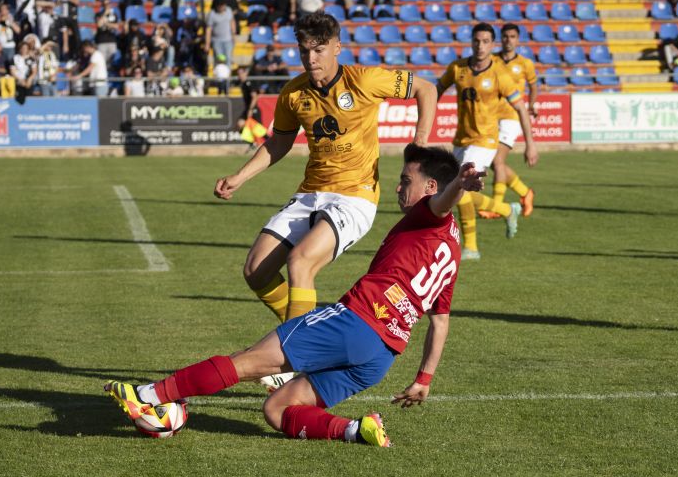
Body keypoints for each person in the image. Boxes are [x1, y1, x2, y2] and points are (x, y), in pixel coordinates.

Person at [106, 143, 479, 446]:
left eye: (405, 180)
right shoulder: (453, 248)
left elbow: (442, 203)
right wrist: (424, 379)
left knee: (247, 361)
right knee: (279, 408)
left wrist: (458, 185)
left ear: (431, 188)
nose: (398, 188)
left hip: (358, 321)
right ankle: (355, 429)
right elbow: (440, 321)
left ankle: (149, 395)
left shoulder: (429, 215)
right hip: (382, 356)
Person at [213, 11, 437, 341]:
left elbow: (426, 89)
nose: (310, 58)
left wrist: (420, 141)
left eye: (318, 50)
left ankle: (290, 358)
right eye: (304, 50)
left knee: (300, 261)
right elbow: (279, 141)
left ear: (336, 48)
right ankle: (310, 329)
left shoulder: (365, 80)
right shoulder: (293, 93)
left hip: (355, 196)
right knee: (256, 269)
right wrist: (241, 176)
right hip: (311, 192)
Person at [436, 22, 538, 260]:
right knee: (457, 190)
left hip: (485, 141)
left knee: (461, 188)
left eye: (485, 42)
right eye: (476, 41)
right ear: (471, 42)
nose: (480, 46)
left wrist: (531, 143)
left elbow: (521, 109)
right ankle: (506, 209)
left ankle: (471, 248)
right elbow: (437, 89)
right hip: (462, 139)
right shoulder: (457, 68)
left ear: (492, 45)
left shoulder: (500, 75)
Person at [481, 23, 539, 220]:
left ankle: (497, 207)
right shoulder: (492, 60)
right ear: (501, 39)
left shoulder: (525, 64)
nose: (508, 40)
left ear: (517, 39)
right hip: (492, 117)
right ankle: (525, 192)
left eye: (512, 36)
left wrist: (530, 105)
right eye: (505, 36)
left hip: (511, 117)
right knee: (493, 162)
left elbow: (533, 86)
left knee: (497, 161)